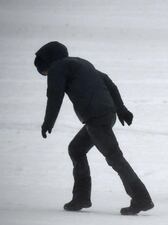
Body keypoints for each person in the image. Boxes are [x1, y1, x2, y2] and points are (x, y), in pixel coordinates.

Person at [34, 41, 154, 215]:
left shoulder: (57, 67)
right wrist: (121, 110)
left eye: (43, 71)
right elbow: (109, 83)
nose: (45, 74)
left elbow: (55, 96)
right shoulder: (81, 63)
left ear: (47, 62)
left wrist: (48, 122)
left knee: (115, 158)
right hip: (105, 115)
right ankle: (81, 197)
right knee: (76, 149)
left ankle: (141, 198)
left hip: (96, 118)